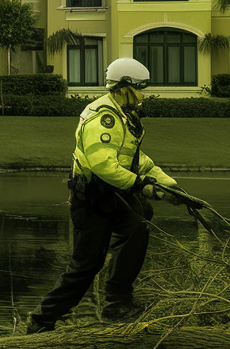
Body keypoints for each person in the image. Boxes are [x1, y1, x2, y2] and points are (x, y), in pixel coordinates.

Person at [26, 58, 178, 334]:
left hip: (113, 196)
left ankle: (117, 303)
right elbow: (103, 166)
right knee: (87, 265)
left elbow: (134, 158)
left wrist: (169, 185)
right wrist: (140, 185)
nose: (145, 94)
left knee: (139, 224)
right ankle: (41, 321)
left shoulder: (123, 115)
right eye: (140, 88)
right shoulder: (103, 118)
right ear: (123, 87)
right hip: (92, 199)